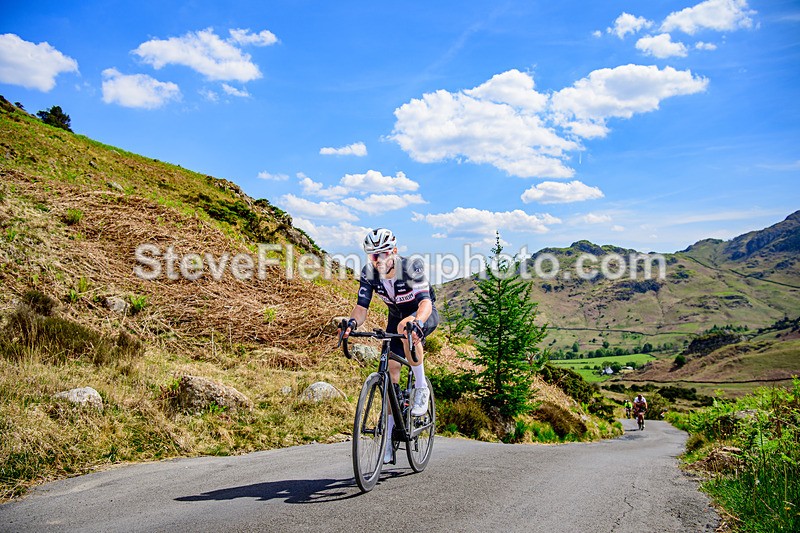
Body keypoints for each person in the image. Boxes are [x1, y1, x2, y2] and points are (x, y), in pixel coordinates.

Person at [340, 228, 439, 463]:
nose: (378, 260)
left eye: (383, 254)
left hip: (422, 313)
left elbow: (425, 302)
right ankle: (387, 439)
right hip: (395, 316)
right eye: (373, 256)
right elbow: (362, 308)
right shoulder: (369, 273)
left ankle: (421, 386)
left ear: (394, 251)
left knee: (406, 327)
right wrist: (352, 323)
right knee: (391, 373)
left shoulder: (411, 267)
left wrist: (418, 322)